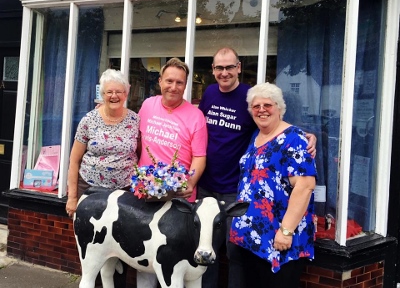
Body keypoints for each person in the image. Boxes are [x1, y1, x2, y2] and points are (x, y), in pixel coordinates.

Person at [197, 47, 316, 288]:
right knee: (207, 251)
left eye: (230, 67)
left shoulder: (250, 98)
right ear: (213, 70)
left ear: (239, 67)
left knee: (235, 258)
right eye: (219, 68)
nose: (224, 72)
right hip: (214, 193)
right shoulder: (210, 94)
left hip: (247, 205)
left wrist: (305, 136)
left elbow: (303, 185)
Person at [229, 82, 317, 288]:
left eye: (268, 105)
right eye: (256, 106)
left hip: (279, 237)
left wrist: (286, 231)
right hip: (251, 238)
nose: (261, 110)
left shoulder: (295, 139)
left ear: (279, 108)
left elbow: (305, 187)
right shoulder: (256, 136)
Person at [136, 57, 208, 288]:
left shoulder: (195, 115)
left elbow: (200, 156)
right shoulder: (147, 105)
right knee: (145, 257)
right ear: (160, 81)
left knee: (179, 262)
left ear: (185, 85)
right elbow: (134, 138)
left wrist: (191, 182)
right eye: (169, 81)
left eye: (179, 82)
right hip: (148, 198)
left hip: (180, 201)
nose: (173, 87)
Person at [65, 68, 140, 287]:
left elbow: (140, 153)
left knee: (121, 246)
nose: (114, 96)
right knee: (92, 247)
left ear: (126, 93)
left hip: (124, 195)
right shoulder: (89, 121)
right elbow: (74, 160)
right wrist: (72, 197)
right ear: (102, 94)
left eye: (118, 91)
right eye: (109, 92)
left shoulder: (135, 121)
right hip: (91, 191)